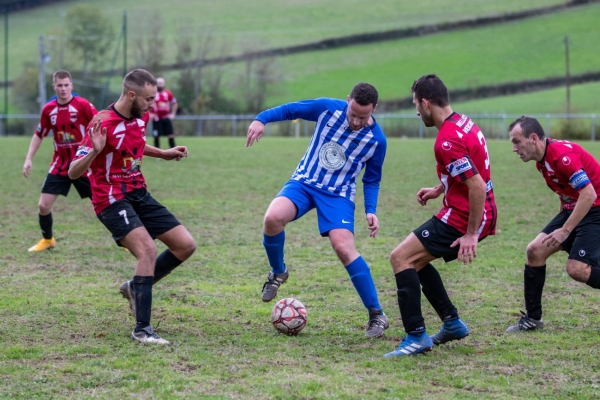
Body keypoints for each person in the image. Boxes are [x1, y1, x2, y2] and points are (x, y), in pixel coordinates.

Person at [246, 82, 390, 338]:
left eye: (363, 116)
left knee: (344, 248)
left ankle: (376, 314)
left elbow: (372, 179)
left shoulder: (377, 141)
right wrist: (261, 119)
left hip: (338, 195)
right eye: (353, 114)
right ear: (347, 100)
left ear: (374, 109)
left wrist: (371, 209)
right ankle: (278, 273)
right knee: (272, 218)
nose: (356, 121)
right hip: (304, 182)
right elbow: (292, 110)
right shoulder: (326, 109)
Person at [68, 69, 196, 344]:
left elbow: (134, 143)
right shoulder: (100, 123)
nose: (153, 105)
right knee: (147, 250)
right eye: (149, 99)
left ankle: (133, 287)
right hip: (111, 199)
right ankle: (142, 329)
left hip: (138, 192)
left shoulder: (141, 116)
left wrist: (163, 153)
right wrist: (94, 151)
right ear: (131, 95)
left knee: (185, 245)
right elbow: (72, 173)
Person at [384, 74, 497, 357]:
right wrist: (440, 187)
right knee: (416, 262)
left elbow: (477, 185)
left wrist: (471, 234)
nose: (416, 111)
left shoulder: (445, 141)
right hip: (474, 208)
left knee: (401, 258)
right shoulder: (464, 123)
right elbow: (470, 171)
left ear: (425, 102)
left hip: (465, 215)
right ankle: (452, 323)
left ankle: (416, 336)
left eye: (415, 105)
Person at [506, 116, 600, 332]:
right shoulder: (542, 160)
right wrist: (560, 224)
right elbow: (566, 193)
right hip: (575, 207)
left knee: (577, 269)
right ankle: (533, 319)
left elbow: (589, 194)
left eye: (516, 141)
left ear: (532, 138)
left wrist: (565, 230)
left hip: (595, 208)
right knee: (535, 251)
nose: (514, 148)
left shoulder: (562, 157)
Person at [22, 70, 97, 252]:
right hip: (60, 165)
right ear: (54, 86)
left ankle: (128, 238)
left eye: (66, 85)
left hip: (83, 164)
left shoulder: (83, 105)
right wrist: (28, 159)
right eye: (59, 85)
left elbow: (100, 125)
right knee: (43, 205)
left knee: (107, 202)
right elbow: (39, 134)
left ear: (71, 85)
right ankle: (48, 240)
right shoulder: (49, 109)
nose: (63, 89)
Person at [149, 77, 177, 149]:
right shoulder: (152, 94)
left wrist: (173, 114)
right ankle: (157, 153)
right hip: (156, 118)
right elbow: (145, 103)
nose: (160, 85)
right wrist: (149, 113)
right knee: (156, 135)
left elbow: (174, 103)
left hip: (166, 117)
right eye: (159, 83)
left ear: (164, 84)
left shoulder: (168, 93)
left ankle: (174, 150)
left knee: (170, 134)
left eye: (161, 83)